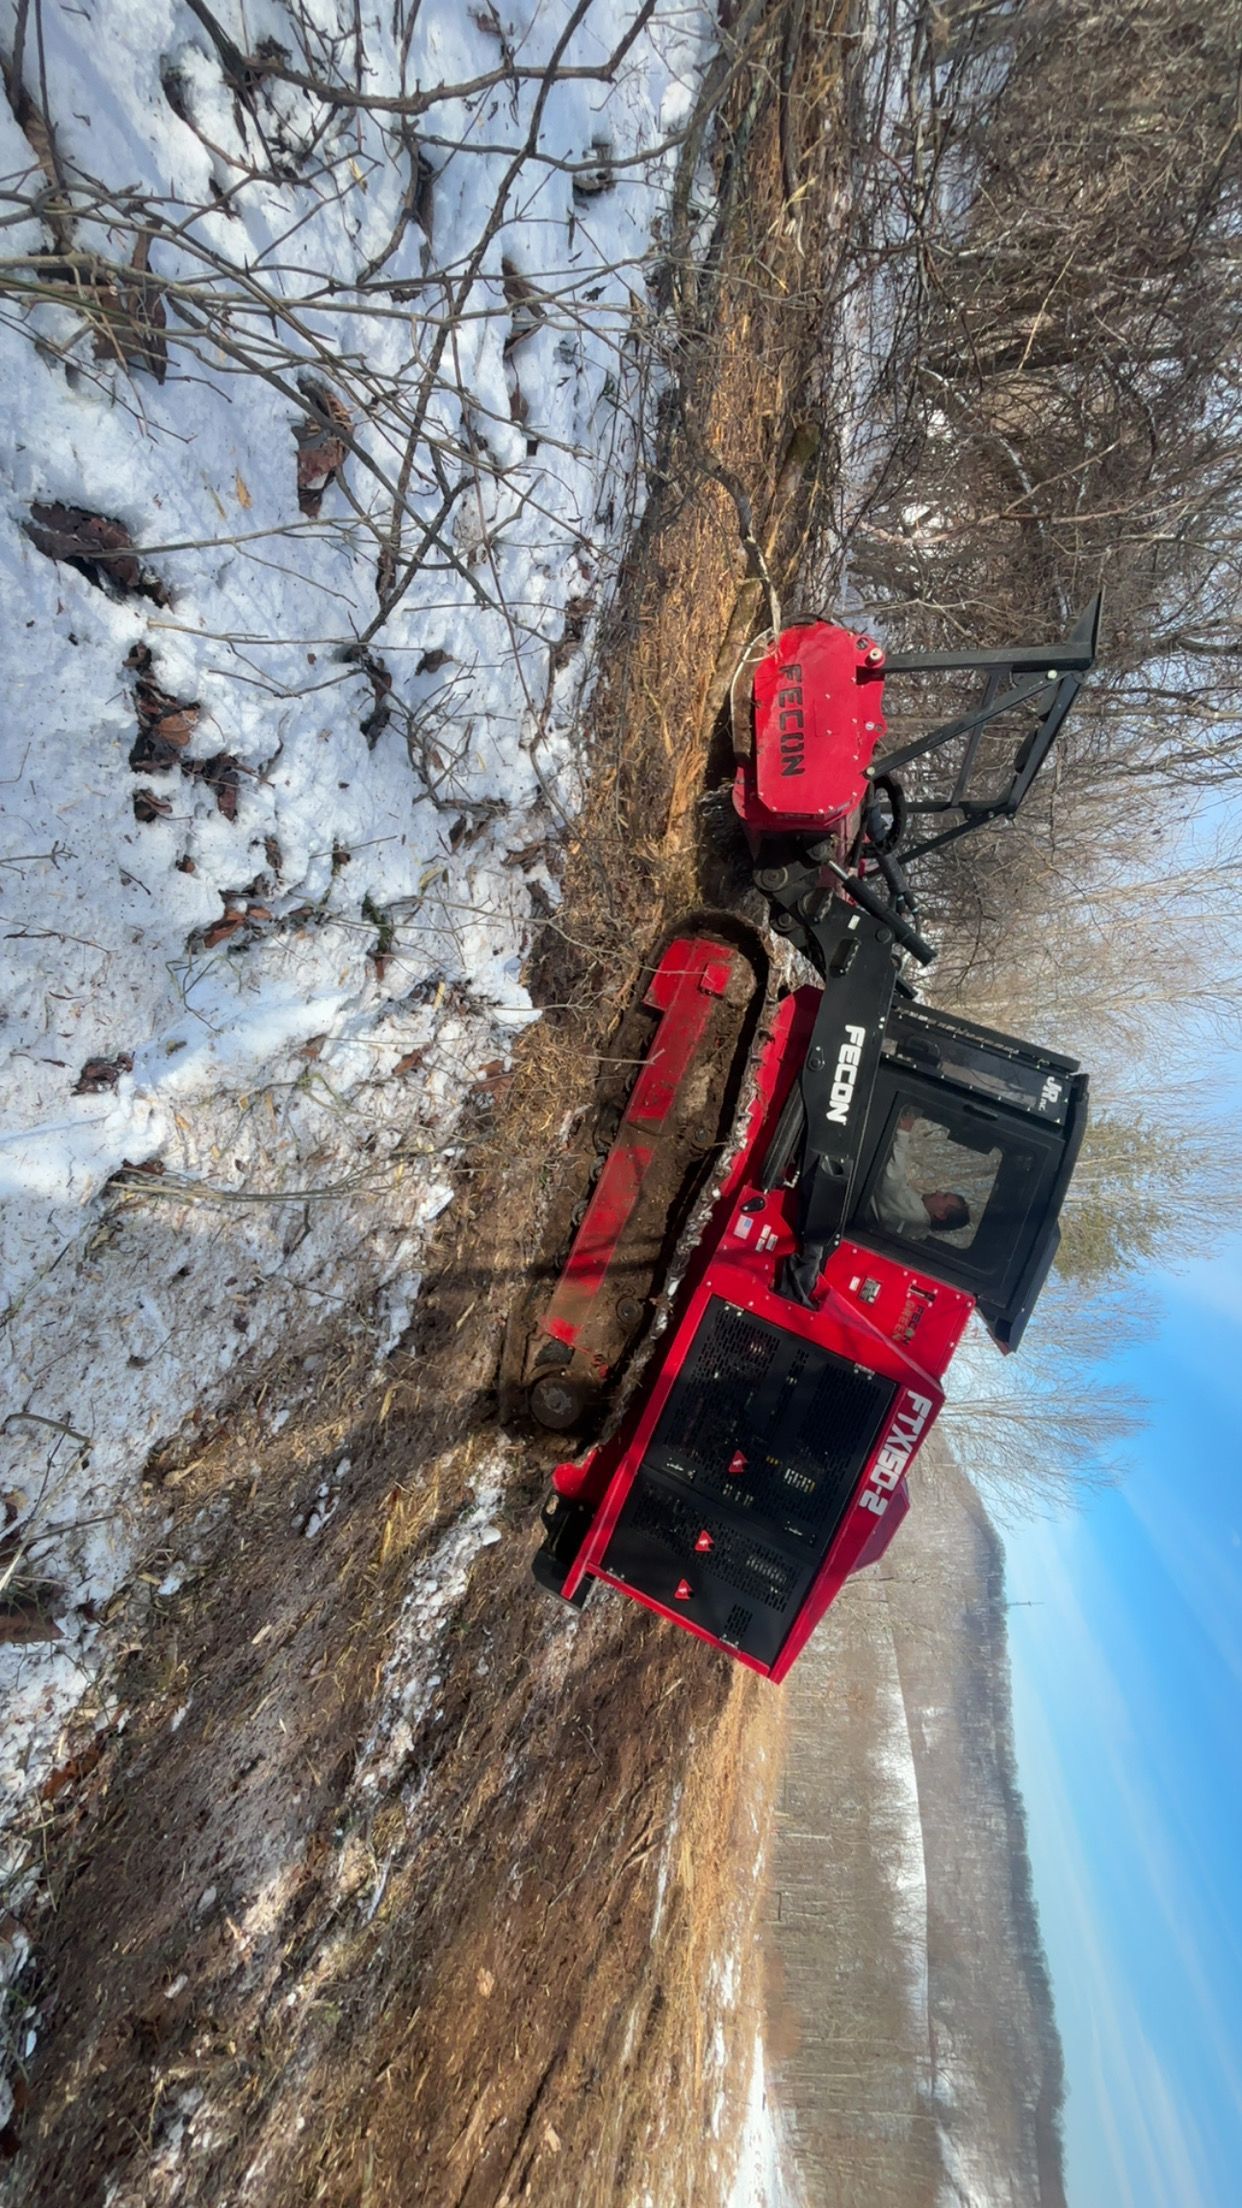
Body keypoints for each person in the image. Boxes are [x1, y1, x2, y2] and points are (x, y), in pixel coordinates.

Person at [871, 1110, 971, 1239]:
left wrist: (903, 1133)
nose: (938, 1192)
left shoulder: (912, 1215)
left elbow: (891, 1180)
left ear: (941, 1214)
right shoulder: (917, 1228)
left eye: (944, 1196)